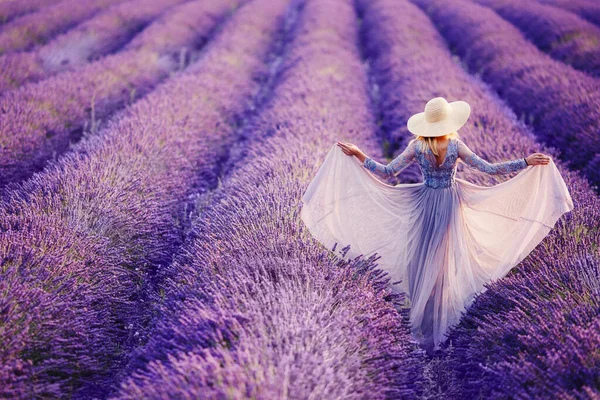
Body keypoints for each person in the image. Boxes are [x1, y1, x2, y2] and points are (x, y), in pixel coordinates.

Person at [300, 97, 574, 356]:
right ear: (449, 122)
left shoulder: (417, 147)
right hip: (450, 206)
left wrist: (360, 155)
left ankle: (423, 322)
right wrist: (525, 162)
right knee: (445, 262)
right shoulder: (455, 146)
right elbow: (489, 170)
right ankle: (444, 326)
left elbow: (386, 172)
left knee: (422, 258)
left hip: (424, 204)